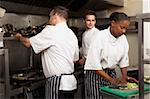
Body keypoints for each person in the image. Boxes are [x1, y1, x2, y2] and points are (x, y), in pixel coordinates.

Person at [15, 6, 79, 99]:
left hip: (58, 83)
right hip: (70, 84)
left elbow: (28, 43)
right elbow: (75, 59)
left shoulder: (51, 30)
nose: (49, 20)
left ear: (55, 16)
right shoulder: (72, 34)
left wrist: (19, 37)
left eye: (50, 17)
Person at [84, 12, 138, 99]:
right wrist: (111, 80)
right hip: (96, 76)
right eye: (122, 27)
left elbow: (123, 61)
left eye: (126, 29)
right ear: (113, 23)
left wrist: (125, 77)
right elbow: (95, 65)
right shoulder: (99, 36)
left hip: (111, 73)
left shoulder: (123, 39)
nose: (124, 31)